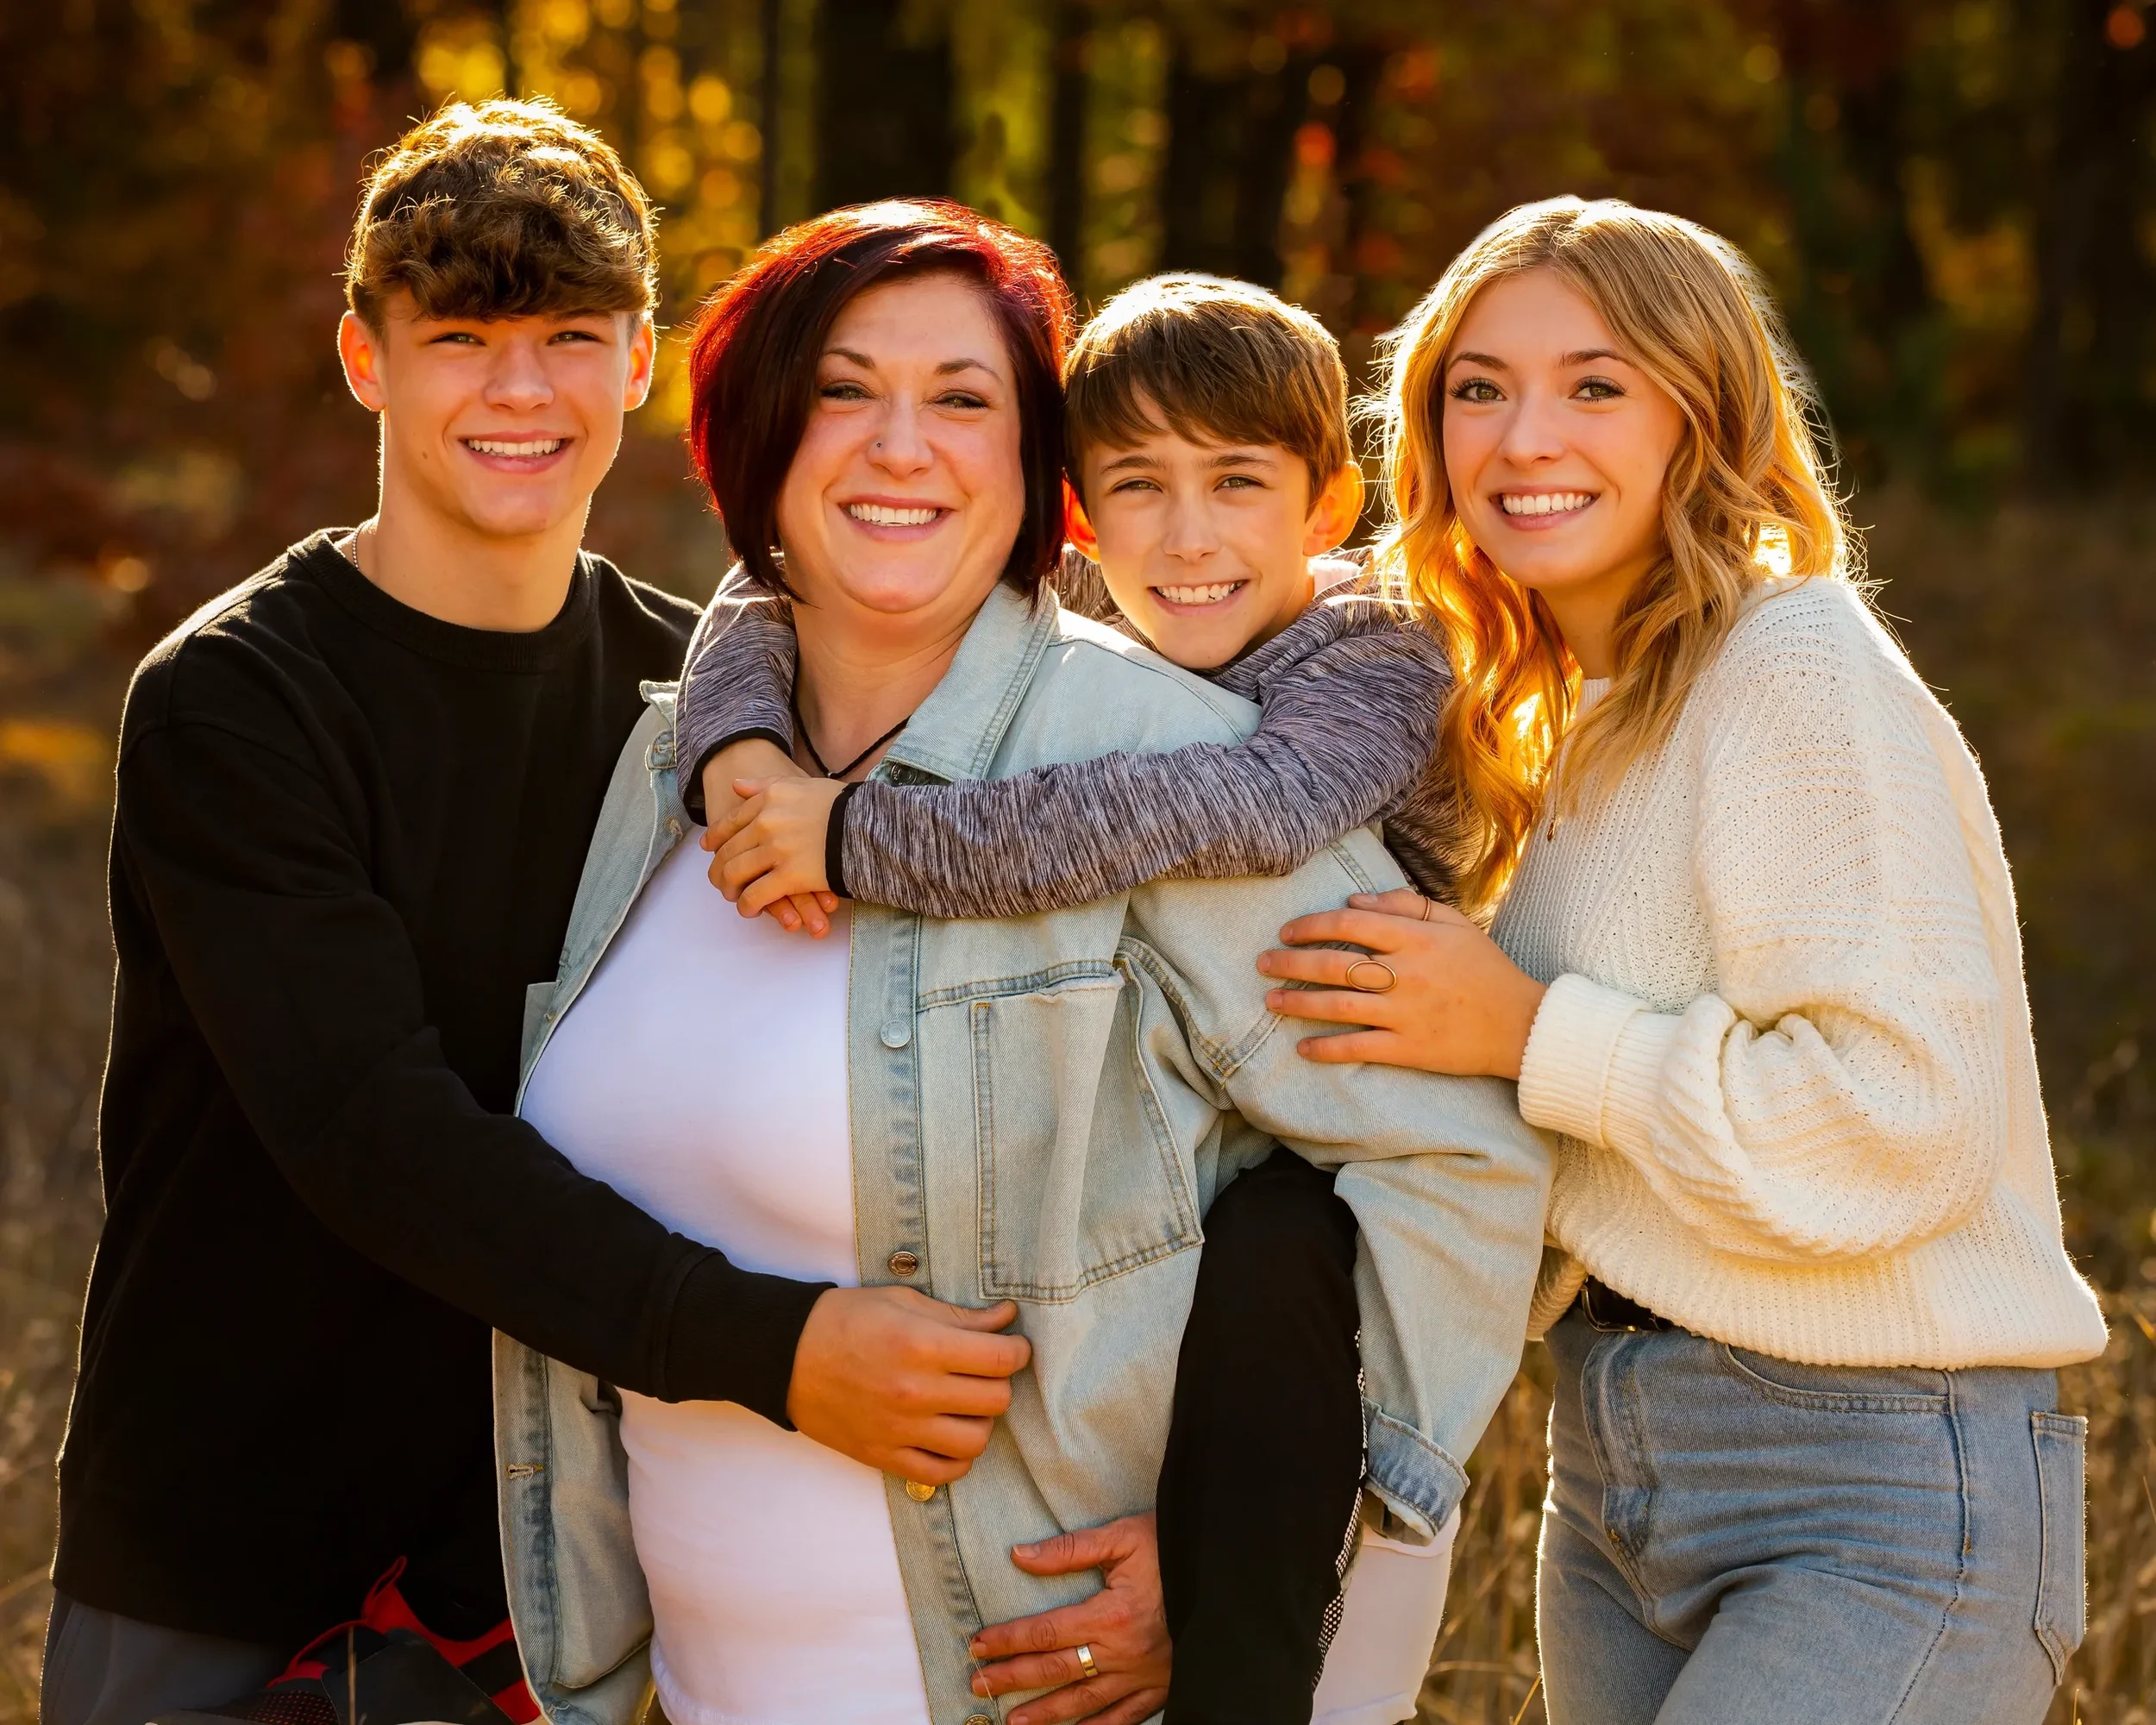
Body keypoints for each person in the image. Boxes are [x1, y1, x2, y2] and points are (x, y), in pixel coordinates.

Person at [498, 198, 1551, 1725]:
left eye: (964, 399)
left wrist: (1234, 1555)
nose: (899, 444)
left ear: (1030, 469)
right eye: (845, 388)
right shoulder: (677, 767)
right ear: (759, 435)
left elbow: (1456, 1170)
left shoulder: (1180, 773)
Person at [46, 104, 1013, 1725]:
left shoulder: (695, 701)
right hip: (230, 1552)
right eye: (463, 338)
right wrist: (779, 1351)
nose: (521, 391)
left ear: (643, 361)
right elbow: (374, 1132)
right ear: (365, 358)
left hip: (557, 1576)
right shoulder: (237, 701)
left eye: (570, 337)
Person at [1257, 196, 2109, 1722]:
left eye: (1596, 385)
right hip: (1614, 1472)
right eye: (1479, 388)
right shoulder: (1537, 722)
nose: (1527, 438)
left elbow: (1901, 1123)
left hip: (1875, 1486)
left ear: (1698, 417)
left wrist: (1529, 1035)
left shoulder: (1789, 661)